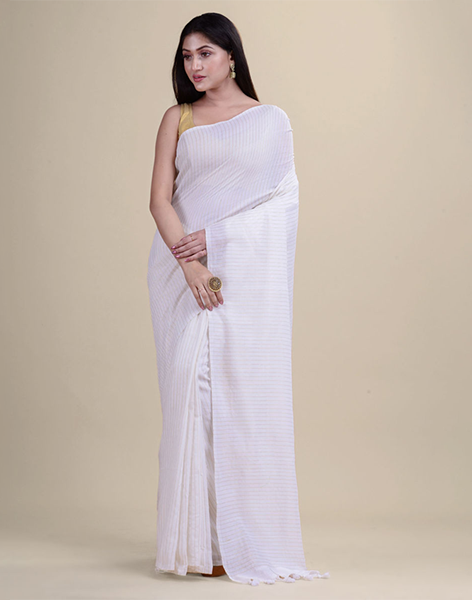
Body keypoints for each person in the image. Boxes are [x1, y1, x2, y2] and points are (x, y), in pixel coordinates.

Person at [147, 12, 330, 586]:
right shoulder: (178, 118)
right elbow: (159, 201)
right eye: (186, 56)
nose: (194, 66)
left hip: (245, 279)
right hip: (182, 276)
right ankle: (198, 544)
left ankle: (238, 539)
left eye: (205, 53)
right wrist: (192, 265)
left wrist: (221, 240)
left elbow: (283, 203)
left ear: (231, 55)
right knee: (193, 397)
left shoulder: (270, 121)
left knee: (239, 401)